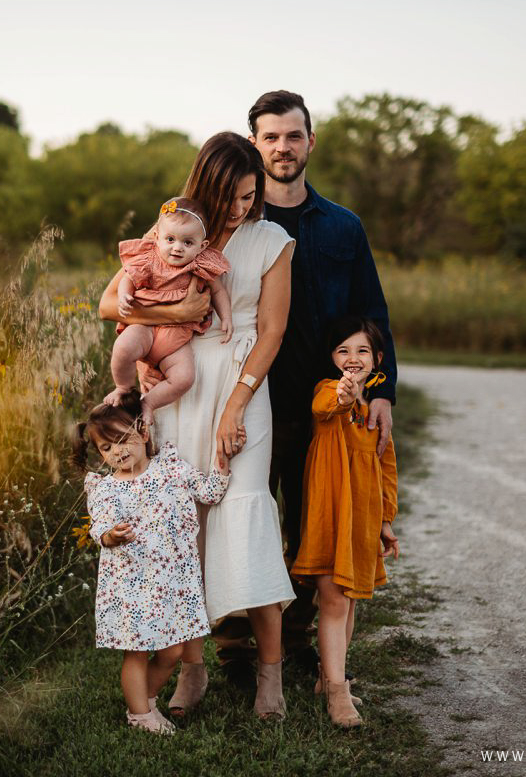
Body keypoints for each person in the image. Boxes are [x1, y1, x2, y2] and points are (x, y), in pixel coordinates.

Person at [98, 132, 296, 719]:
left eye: (250, 195)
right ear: (208, 186)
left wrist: (238, 403)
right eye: (233, 196)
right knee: (185, 530)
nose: (242, 207)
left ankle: (271, 676)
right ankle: (193, 670)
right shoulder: (175, 230)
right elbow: (112, 303)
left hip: (239, 382)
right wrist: (177, 314)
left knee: (246, 514)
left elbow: (273, 332)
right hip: (177, 384)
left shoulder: (272, 241)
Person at [208, 90, 400, 682]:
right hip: (249, 400)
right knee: (239, 519)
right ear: (254, 143)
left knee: (311, 531)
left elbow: (373, 311)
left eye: (293, 135)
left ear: (310, 141)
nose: (282, 147)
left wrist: (384, 389)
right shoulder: (237, 221)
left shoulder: (343, 226)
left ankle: (293, 643)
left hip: (326, 408)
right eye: (270, 137)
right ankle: (237, 646)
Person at [72, 389, 229, 735]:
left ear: (142, 432)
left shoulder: (170, 467)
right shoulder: (106, 488)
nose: (118, 452)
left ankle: (147, 699)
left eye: (122, 439)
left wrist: (222, 462)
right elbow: (100, 526)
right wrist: (111, 536)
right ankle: (139, 714)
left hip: (174, 582)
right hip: (131, 584)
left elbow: (208, 492)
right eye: (106, 448)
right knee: (137, 653)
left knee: (173, 652)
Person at [290, 315, 400, 727]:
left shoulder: (377, 410)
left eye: (362, 351)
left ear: (378, 358)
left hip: (363, 515)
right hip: (329, 511)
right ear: (331, 358)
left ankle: (329, 676)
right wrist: (345, 393)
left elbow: (386, 466)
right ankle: (338, 693)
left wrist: (385, 521)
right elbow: (327, 405)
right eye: (343, 350)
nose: (352, 358)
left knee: (347, 600)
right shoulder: (326, 391)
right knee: (333, 598)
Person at [105, 197, 233, 424]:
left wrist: (227, 318)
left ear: (202, 246)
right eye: (170, 239)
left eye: (187, 243)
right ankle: (123, 388)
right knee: (123, 348)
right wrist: (125, 295)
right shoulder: (149, 259)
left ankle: (149, 403)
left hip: (176, 339)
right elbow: (129, 278)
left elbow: (219, 292)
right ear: (157, 238)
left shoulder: (201, 264)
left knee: (184, 378)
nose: (177, 247)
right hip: (145, 327)